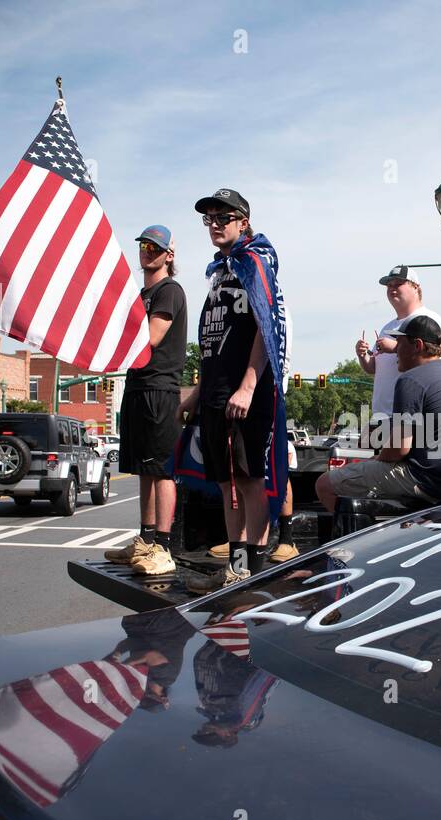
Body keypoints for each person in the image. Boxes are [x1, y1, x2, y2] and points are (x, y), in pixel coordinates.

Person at [178, 189, 290, 594]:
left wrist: (247, 384)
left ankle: (254, 569)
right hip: (214, 392)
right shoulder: (220, 270)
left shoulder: (255, 261)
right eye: (209, 217)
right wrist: (196, 393)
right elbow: (214, 340)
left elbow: (266, 326)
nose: (215, 223)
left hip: (246, 394)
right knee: (227, 484)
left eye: (223, 217)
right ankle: (236, 568)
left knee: (249, 480)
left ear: (244, 221)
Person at [317, 312, 441, 511]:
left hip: (430, 482)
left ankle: (355, 540)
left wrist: (377, 459)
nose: (396, 351)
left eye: (401, 343)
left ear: (418, 346)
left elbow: (399, 449)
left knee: (325, 485)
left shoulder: (411, 380)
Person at [104, 225, 189, 576]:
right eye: (143, 245)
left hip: (160, 389)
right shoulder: (142, 294)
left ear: (169, 254)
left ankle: (164, 547)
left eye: (155, 247)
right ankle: (145, 540)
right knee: (144, 470)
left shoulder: (169, 291)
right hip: (137, 387)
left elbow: (152, 336)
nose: (147, 252)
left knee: (163, 470)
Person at [355, 265, 441, 421]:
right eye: (389, 285)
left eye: (398, 283)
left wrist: (395, 347)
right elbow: (372, 368)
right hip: (383, 417)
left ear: (415, 287)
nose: (392, 288)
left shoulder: (428, 318)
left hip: (412, 417)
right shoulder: (388, 327)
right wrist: (362, 355)